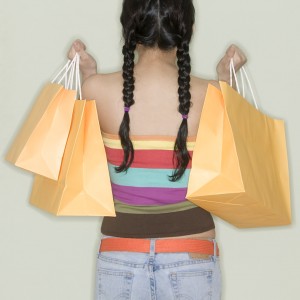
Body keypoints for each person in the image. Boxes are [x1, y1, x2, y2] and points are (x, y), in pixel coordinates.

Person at [68, 0, 246, 299]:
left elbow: (91, 159)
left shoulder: (95, 90)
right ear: (187, 30)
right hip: (192, 252)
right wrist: (228, 82)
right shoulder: (215, 94)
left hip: (120, 253)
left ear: (128, 29)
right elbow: (233, 162)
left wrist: (89, 77)